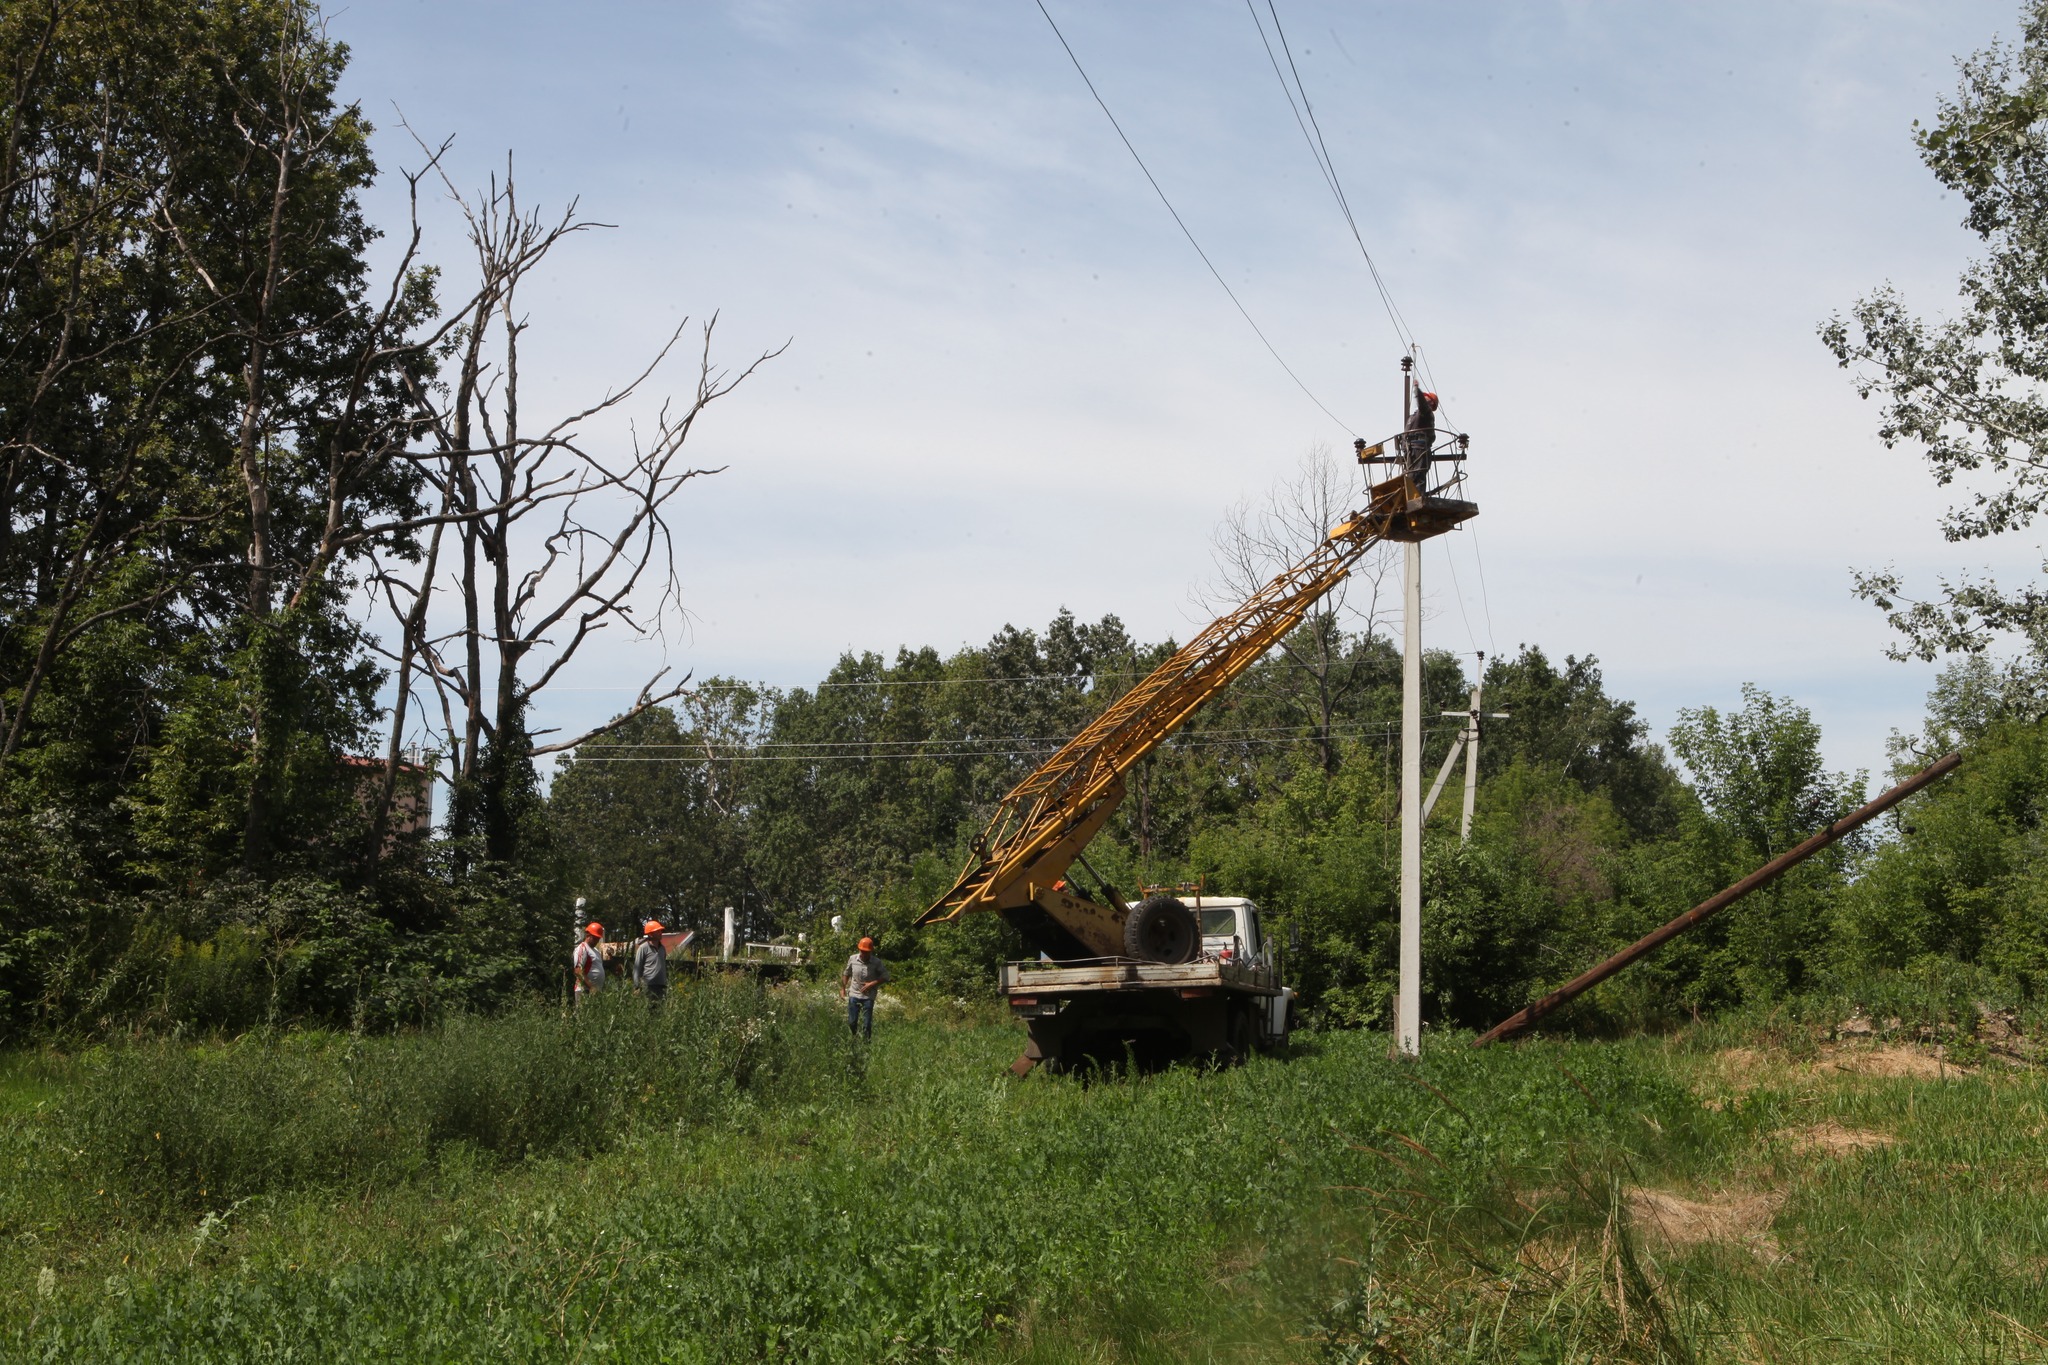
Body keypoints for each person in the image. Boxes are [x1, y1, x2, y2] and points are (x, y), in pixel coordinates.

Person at [840, 936, 889, 1040]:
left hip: (868, 997)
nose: (864, 954)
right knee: (852, 1022)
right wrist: (843, 989)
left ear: (870, 951)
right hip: (854, 994)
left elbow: (886, 977)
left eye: (866, 952)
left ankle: (866, 1044)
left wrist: (872, 984)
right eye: (862, 951)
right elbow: (846, 973)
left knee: (866, 1025)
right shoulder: (852, 958)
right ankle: (854, 1039)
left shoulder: (876, 962)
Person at [1404, 388, 1439, 486]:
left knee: (1418, 475)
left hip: (1420, 447)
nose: (1423, 398)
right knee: (1410, 476)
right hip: (1410, 449)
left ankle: (1418, 497)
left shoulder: (1426, 413)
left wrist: (1417, 391)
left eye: (1426, 397)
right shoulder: (1413, 417)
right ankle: (1413, 495)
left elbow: (1423, 405)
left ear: (1431, 403)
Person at [633, 920, 670, 1006]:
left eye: (660, 931)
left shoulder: (662, 949)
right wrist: (637, 987)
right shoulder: (643, 948)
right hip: (648, 986)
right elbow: (637, 968)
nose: (661, 933)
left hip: (661, 986)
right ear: (650, 934)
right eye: (658, 931)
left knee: (660, 1011)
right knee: (649, 1010)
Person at [572, 921, 606, 1003]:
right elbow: (578, 971)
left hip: (595, 991)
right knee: (582, 1015)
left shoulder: (596, 951)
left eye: (598, 939)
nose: (596, 941)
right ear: (588, 935)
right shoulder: (582, 948)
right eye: (595, 938)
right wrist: (591, 987)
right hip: (584, 991)